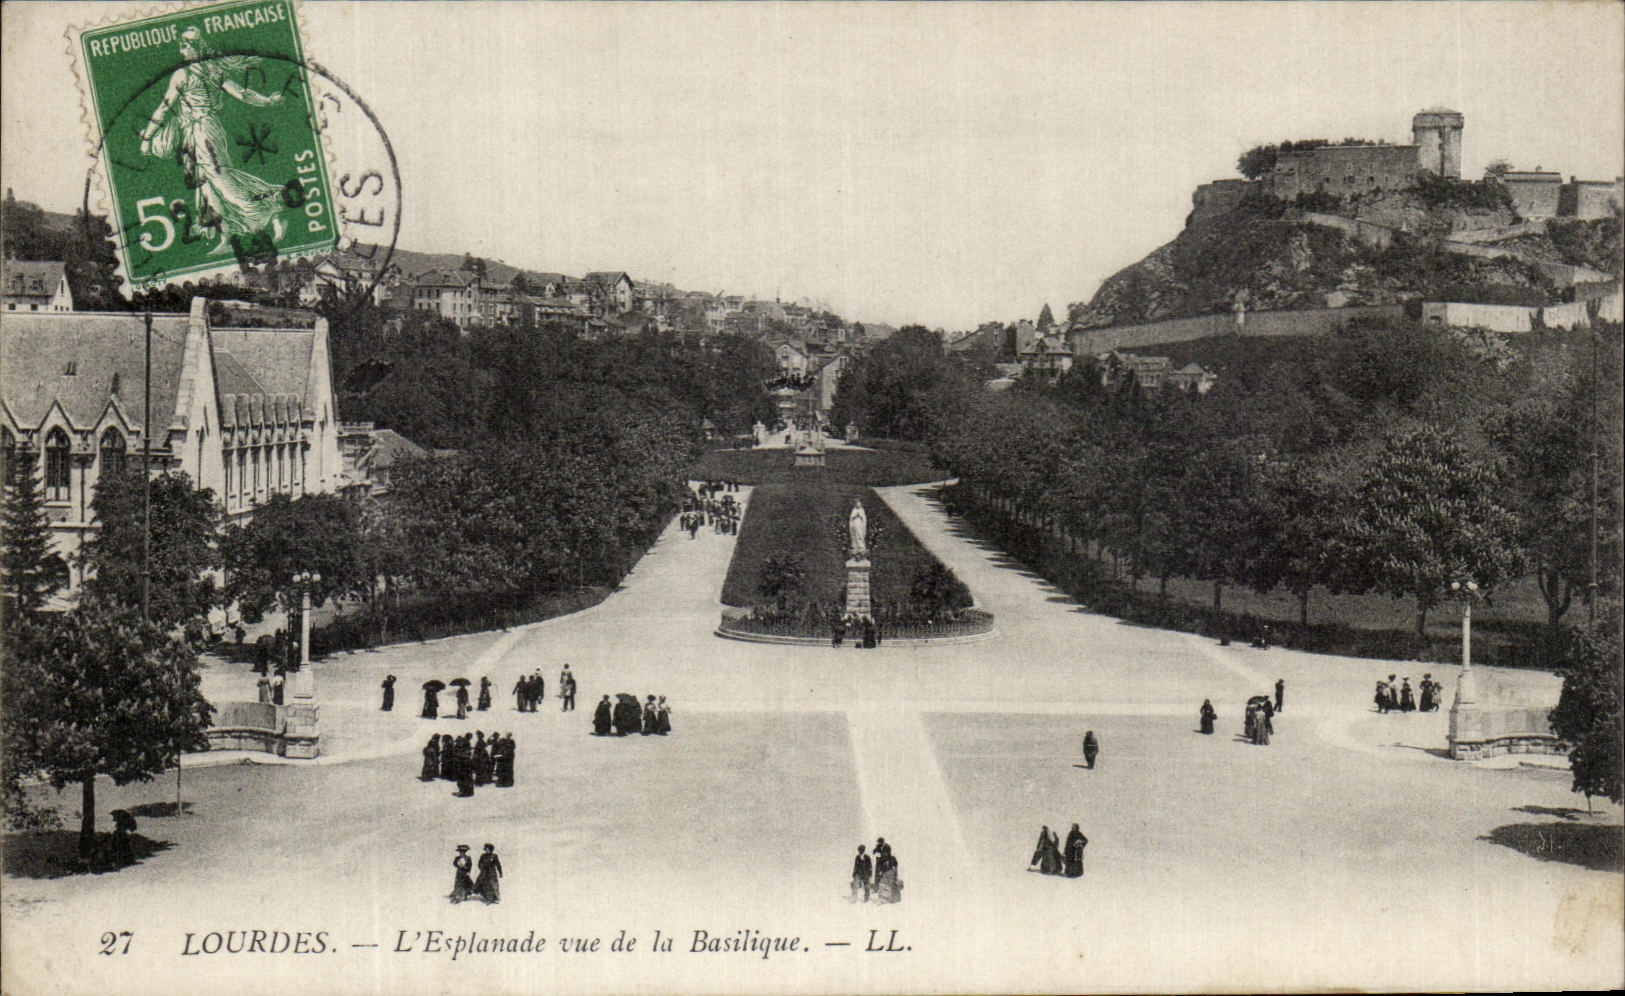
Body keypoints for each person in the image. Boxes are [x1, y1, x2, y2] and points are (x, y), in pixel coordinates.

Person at [139, 27, 288, 254]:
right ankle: (226, 234)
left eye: (186, 45)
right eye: (181, 45)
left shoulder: (183, 74)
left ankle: (269, 212)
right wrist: (267, 100)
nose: (182, 49)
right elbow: (243, 93)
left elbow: (165, 107)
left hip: (202, 131)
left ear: (195, 48)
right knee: (206, 185)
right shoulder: (213, 70)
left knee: (221, 181)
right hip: (206, 129)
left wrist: (147, 137)